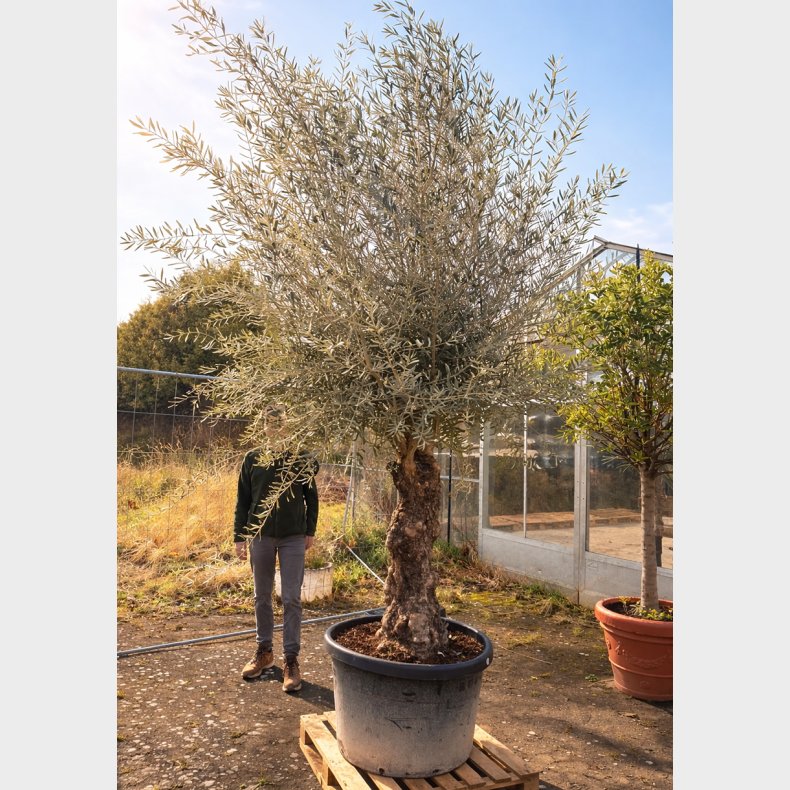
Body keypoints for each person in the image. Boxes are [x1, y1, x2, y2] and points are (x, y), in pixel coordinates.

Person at [234, 406, 319, 692]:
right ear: (263, 427)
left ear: (287, 427)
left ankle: (291, 660)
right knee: (261, 597)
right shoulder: (252, 459)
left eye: (279, 424)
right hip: (260, 536)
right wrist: (240, 536)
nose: (274, 429)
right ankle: (264, 653)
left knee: (292, 597)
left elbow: (312, 495)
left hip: (293, 537)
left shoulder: (300, 457)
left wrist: (309, 530)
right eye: (269, 424)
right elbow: (243, 501)